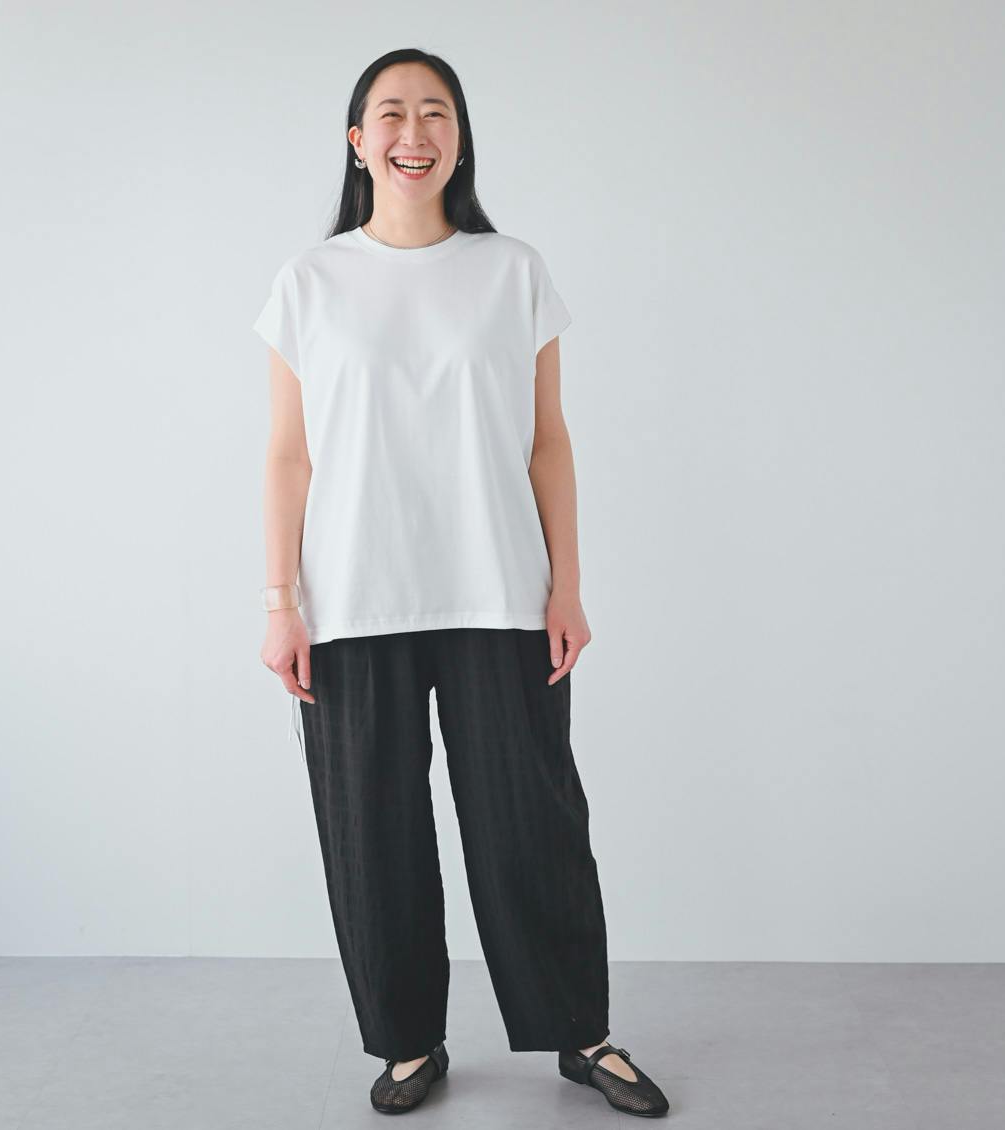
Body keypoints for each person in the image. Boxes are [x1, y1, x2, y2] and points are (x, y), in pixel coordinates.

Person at [253, 48, 669, 1119]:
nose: (414, 131)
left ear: (459, 138)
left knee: (532, 824)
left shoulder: (510, 270)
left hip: (500, 593)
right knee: (372, 832)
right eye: (391, 113)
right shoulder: (309, 282)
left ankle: (581, 1032)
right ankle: (406, 1042)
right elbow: (289, 456)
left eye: (435, 112)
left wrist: (566, 586)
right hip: (351, 601)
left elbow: (547, 442)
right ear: (358, 141)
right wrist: (279, 604)